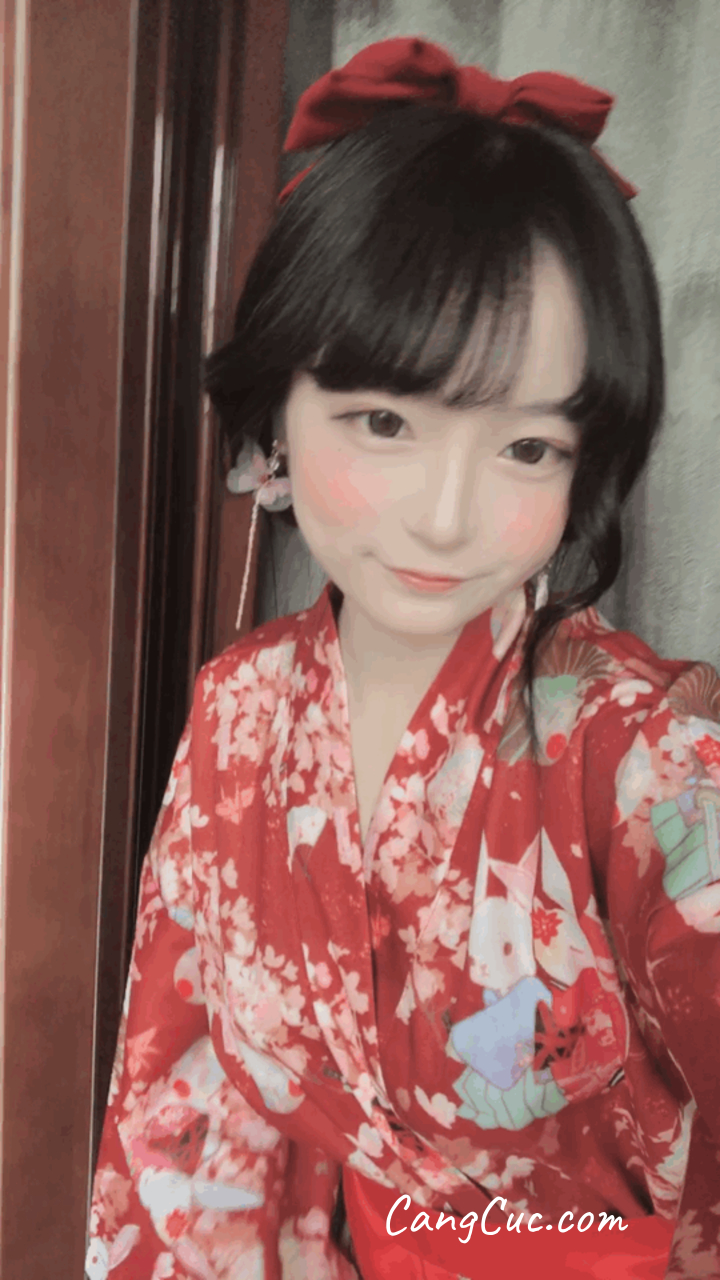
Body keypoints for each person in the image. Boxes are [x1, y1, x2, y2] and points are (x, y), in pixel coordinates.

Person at [85, 37, 720, 1280]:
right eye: (383, 421)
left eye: (527, 447)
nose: (445, 516)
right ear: (276, 416)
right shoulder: (238, 712)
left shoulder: (650, 757)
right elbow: (184, 1133)